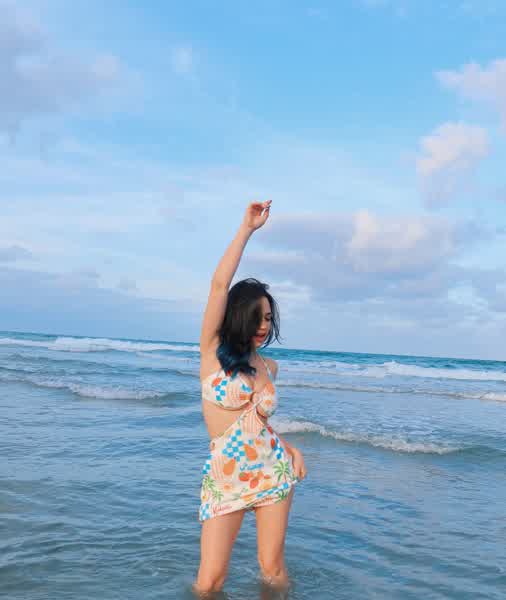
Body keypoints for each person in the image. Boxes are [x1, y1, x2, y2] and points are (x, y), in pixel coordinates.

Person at [192, 200, 307, 596]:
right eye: (256, 317)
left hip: (274, 472)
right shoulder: (212, 352)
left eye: (269, 318)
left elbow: (257, 425)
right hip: (226, 479)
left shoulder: (268, 366)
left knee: (272, 569)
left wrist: (291, 448)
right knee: (210, 581)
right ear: (238, 315)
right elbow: (218, 285)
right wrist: (247, 230)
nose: (263, 326)